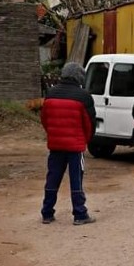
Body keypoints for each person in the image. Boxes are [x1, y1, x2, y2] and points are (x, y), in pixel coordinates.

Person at [40, 62, 97, 225]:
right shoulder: (83, 96)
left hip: (56, 144)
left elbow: (45, 119)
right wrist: (85, 140)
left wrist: (53, 134)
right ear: (79, 77)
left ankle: (47, 213)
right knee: (76, 179)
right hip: (75, 146)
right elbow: (89, 123)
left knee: (52, 177)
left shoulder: (51, 93)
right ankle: (80, 214)